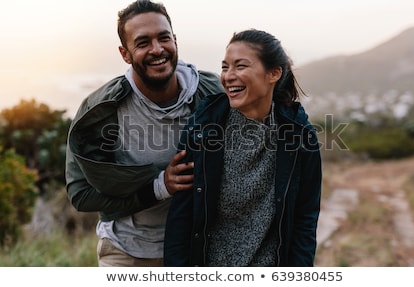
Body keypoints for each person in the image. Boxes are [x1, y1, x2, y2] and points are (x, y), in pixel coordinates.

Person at [65, 0, 223, 267]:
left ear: (175, 40)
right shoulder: (99, 110)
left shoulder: (212, 93)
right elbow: (80, 194)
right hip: (127, 252)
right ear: (125, 53)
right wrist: (159, 187)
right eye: (142, 43)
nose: (157, 49)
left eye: (164, 38)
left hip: (198, 250)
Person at [164, 29, 322, 267]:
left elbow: (304, 221)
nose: (228, 76)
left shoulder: (300, 136)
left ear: (274, 74)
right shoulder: (203, 127)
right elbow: (182, 217)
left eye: (240, 66)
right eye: (225, 67)